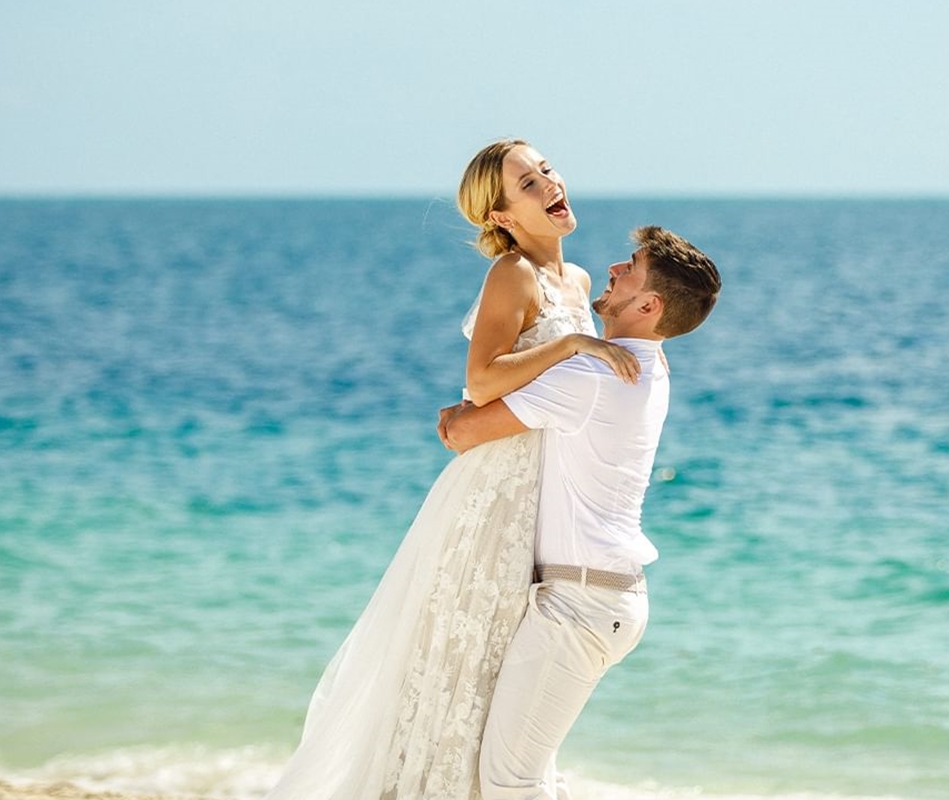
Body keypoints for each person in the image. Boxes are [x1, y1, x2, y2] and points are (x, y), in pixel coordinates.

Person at [264, 139, 639, 800]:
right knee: (462, 666)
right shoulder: (513, 274)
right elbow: (481, 380)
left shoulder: (576, 281)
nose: (550, 185)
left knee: (507, 683)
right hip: (493, 497)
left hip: (540, 502)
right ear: (499, 217)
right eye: (528, 184)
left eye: (546, 170)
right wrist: (574, 344)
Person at [442, 225, 722, 800]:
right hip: (598, 598)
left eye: (631, 269)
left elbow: (464, 430)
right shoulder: (652, 366)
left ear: (649, 305)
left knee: (510, 783)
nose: (614, 269)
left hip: (582, 604)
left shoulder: (594, 374)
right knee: (532, 775)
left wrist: (453, 416)